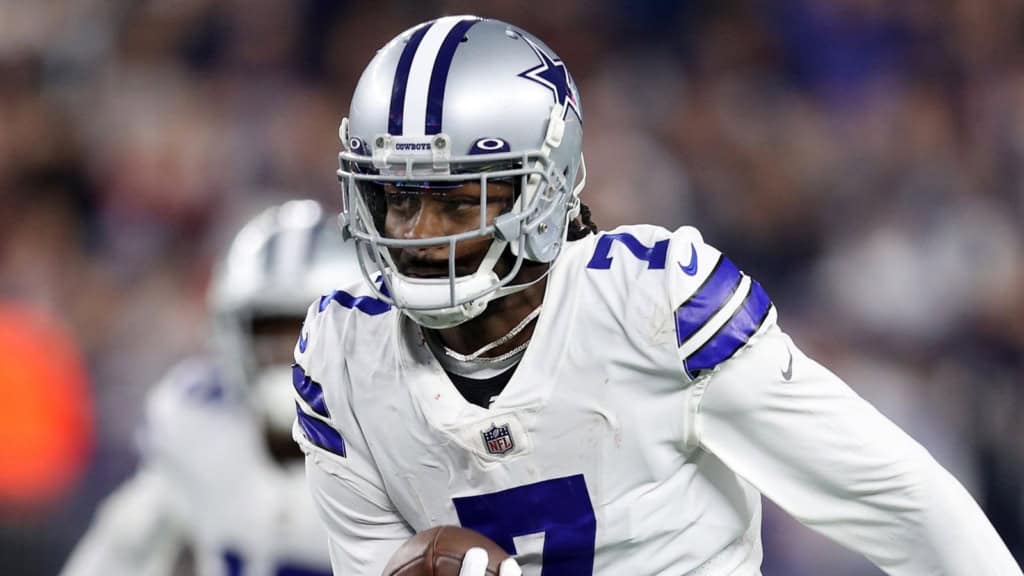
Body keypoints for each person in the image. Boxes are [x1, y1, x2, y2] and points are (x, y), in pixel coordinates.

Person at [293, 15, 1022, 576]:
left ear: (542, 196)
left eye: (457, 202)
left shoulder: (652, 302)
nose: (419, 235)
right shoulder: (342, 357)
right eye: (397, 199)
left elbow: (903, 506)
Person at [62, 200, 352, 576]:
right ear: (233, 336)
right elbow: (119, 549)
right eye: (268, 335)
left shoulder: (403, 441)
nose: (287, 358)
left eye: (303, 334)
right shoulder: (200, 425)